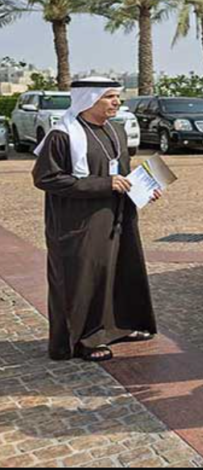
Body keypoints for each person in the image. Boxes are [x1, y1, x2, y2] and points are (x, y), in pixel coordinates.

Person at [32, 77, 160, 363]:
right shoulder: (62, 135)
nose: (116, 102)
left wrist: (144, 189)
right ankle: (80, 340)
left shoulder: (116, 131)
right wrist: (104, 185)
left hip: (117, 216)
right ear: (89, 99)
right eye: (110, 97)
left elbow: (121, 173)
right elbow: (46, 178)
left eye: (118, 97)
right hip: (78, 221)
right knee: (82, 278)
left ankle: (118, 326)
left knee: (117, 271)